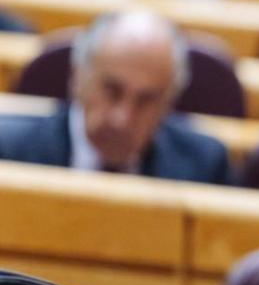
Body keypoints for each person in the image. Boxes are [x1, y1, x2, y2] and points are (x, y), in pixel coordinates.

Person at [0, 11, 231, 183]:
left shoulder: (205, 168)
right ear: (78, 78)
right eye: (112, 91)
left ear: (168, 102)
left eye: (146, 100)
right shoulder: (8, 153)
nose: (122, 118)